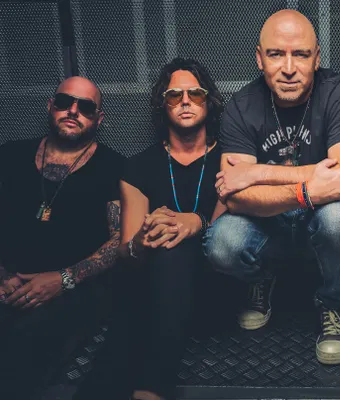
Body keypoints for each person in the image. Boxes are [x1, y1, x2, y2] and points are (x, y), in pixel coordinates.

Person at [204, 9, 340, 365]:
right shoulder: (242, 106)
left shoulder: (337, 91)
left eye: (301, 55)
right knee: (222, 241)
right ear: (259, 58)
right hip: (268, 227)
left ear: (317, 58)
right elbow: (235, 197)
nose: (289, 68)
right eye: (276, 54)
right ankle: (261, 277)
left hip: (319, 225)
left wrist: (255, 172)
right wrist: (307, 190)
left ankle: (334, 304)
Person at [74, 58, 226, 400]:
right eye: (174, 95)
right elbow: (127, 254)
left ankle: (151, 388)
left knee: (173, 250)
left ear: (208, 101)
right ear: (162, 104)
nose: (185, 101)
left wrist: (196, 222)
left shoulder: (230, 160)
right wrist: (142, 239)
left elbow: (229, 231)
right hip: (150, 293)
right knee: (144, 275)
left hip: (211, 296)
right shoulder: (139, 166)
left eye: (195, 94)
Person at [0, 76, 124, 399]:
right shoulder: (9, 156)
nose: (72, 111)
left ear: (99, 118)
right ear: (50, 106)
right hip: (7, 280)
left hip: (76, 289)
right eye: (64, 102)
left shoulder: (114, 167)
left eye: (85, 107)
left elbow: (119, 240)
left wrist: (63, 279)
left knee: (23, 350)